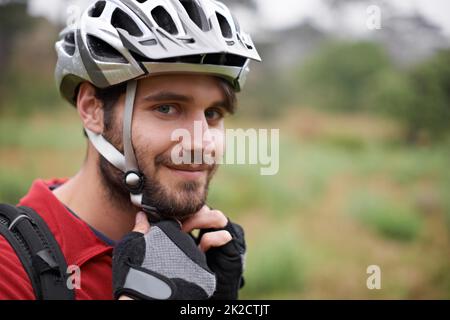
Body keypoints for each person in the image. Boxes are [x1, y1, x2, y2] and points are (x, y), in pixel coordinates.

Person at [0, 0, 260, 300]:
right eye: (167, 108)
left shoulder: (191, 257)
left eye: (213, 114)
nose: (201, 143)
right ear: (92, 109)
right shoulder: (10, 264)